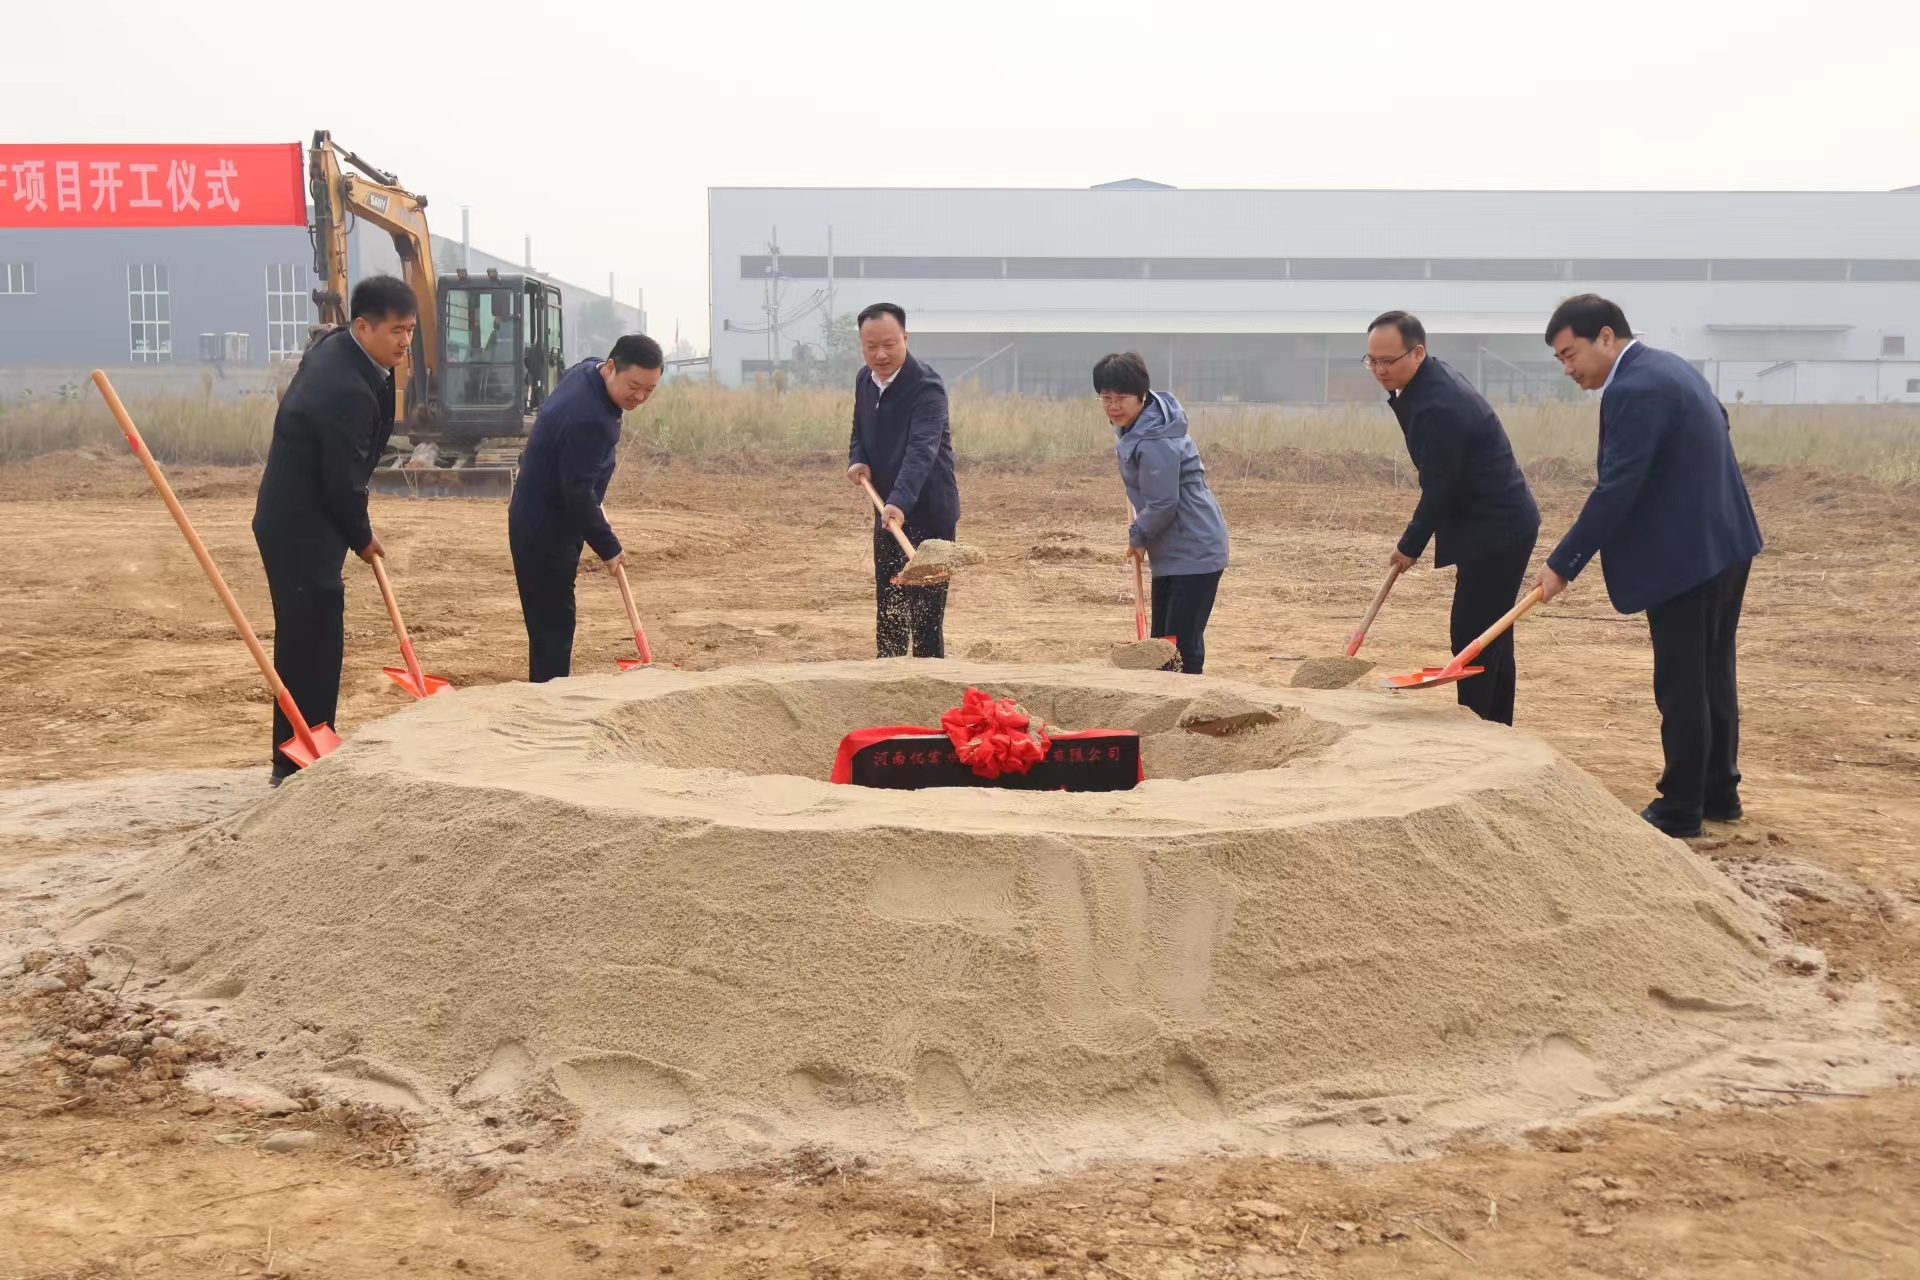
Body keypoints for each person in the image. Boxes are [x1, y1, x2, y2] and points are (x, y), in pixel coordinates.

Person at [1537, 294, 1763, 838]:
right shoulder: (1671, 369)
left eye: (1571, 355)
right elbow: (1717, 427)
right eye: (1560, 360)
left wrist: (1563, 563)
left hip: (1685, 557)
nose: (1568, 369)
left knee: (1683, 682)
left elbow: (1617, 488)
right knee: (1713, 673)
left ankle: (1681, 807)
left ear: (1607, 337)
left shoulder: (1635, 389)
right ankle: (1719, 793)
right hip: (1726, 542)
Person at [252, 274, 415, 784]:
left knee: (314, 636)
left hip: (309, 514)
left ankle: (305, 746)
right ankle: (295, 762)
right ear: (363, 326)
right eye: (396, 331)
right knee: (310, 643)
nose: (405, 341)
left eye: (410, 330)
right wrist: (361, 535)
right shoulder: (344, 386)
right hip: (300, 524)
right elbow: (342, 480)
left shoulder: (346, 352)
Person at [1365, 311, 1540, 725]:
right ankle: (1495, 724)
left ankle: (1477, 726)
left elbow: (1442, 485)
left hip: (1497, 527)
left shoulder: (1440, 404)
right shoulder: (1425, 384)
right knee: (1491, 631)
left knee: (1472, 637)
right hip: (1493, 521)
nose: (1379, 370)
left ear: (1418, 352)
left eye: (1388, 360)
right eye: (1372, 361)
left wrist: (1410, 545)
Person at [508, 334, 664, 682]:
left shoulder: (588, 370)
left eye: (649, 390)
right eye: (633, 386)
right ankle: (550, 701)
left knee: (548, 622)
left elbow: (579, 483)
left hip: (538, 511)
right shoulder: (590, 420)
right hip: (545, 528)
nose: (639, 397)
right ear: (611, 368)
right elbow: (577, 494)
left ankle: (545, 691)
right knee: (553, 626)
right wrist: (609, 547)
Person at [1095, 352, 1230, 675]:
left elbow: (1163, 503)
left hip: (1194, 549)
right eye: (1106, 398)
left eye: (1121, 398)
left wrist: (1138, 537)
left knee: (1180, 645)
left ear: (1142, 396)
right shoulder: (1141, 427)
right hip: (1172, 548)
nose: (1113, 406)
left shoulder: (1157, 440)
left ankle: (1182, 706)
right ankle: (1162, 700)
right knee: (1162, 643)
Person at [846, 303, 960, 658]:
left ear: (905, 339)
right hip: (887, 510)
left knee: (925, 615)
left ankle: (929, 690)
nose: (880, 354)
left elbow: (921, 451)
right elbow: (859, 429)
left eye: (889, 345)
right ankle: (888, 680)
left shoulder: (926, 388)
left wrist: (900, 501)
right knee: (890, 607)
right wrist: (857, 459)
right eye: (870, 346)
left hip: (928, 512)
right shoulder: (865, 380)